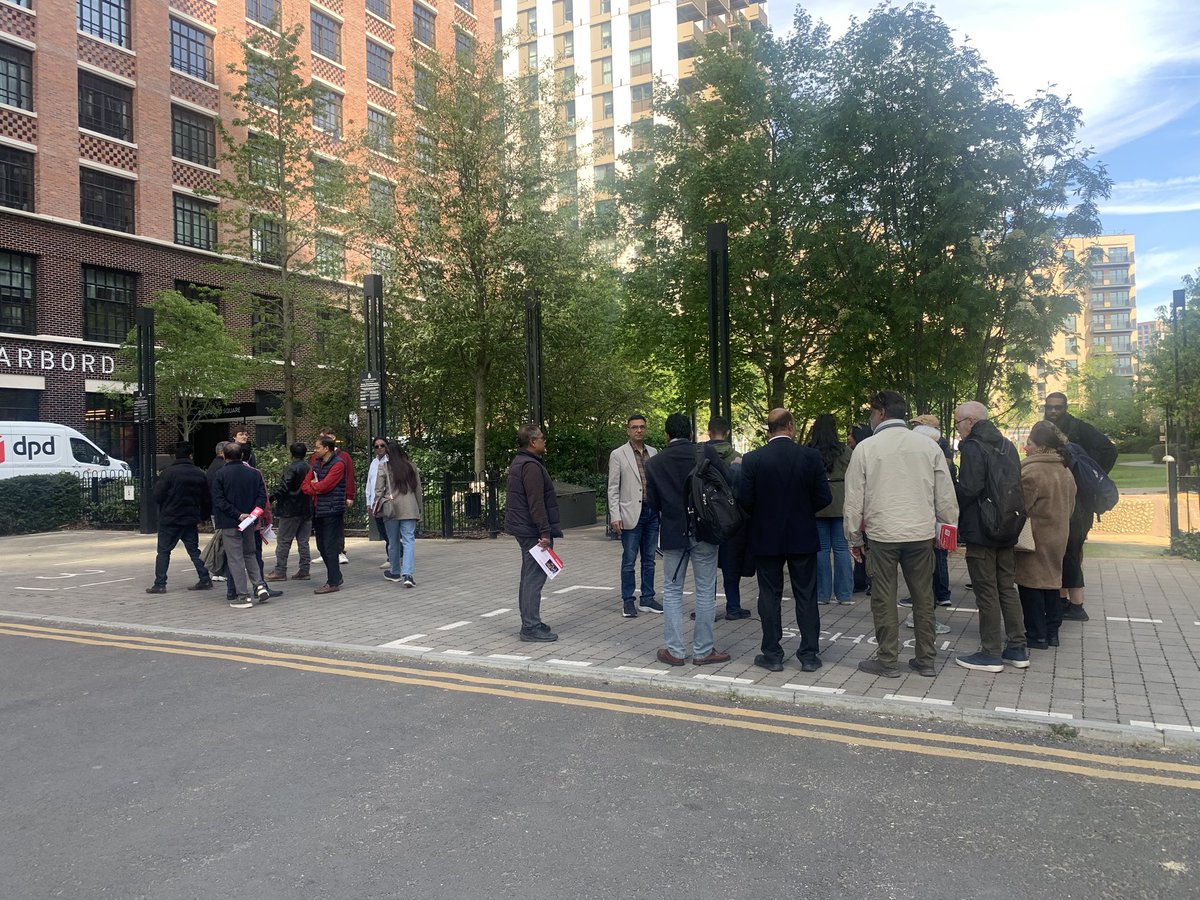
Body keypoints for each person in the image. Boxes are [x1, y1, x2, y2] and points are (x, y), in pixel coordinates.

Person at [845, 391, 958, 678]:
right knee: (924, 597)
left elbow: (854, 499)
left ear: (881, 413)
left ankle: (887, 660)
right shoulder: (929, 447)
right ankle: (926, 659)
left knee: (883, 597)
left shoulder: (866, 448)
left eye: (871, 412)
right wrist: (947, 530)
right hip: (921, 532)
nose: (870, 418)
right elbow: (945, 496)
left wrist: (854, 538)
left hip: (883, 534)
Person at [740, 409, 833, 673]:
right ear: (790, 426)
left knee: (769, 595)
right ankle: (809, 655)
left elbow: (744, 499)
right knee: (806, 594)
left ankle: (772, 653)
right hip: (802, 534)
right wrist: (803, 511)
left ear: (768, 429)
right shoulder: (810, 457)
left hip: (766, 535)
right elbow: (824, 497)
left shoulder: (753, 459)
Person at [644, 413, 733, 667]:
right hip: (705, 530)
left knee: (672, 591)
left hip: (673, 533)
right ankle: (703, 651)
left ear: (666, 435)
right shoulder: (705, 453)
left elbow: (653, 503)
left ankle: (675, 651)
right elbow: (726, 482)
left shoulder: (654, 463)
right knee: (705, 590)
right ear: (691, 434)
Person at [953, 400, 1029, 673]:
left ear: (971, 421)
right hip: (1008, 524)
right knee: (1006, 587)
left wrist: (951, 499)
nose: (958, 429)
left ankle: (990, 652)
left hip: (982, 528)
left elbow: (969, 488)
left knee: (986, 591)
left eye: (958, 423)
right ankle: (1017, 647)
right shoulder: (1007, 445)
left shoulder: (973, 447)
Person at [1044, 392, 1117, 622]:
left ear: (1065, 407)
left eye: (1058, 407)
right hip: (1068, 499)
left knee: (1071, 553)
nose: (1053, 411)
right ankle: (1064, 600)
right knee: (1066, 553)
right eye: (1049, 406)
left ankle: (1075, 605)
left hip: (1078, 502)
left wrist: (1088, 472)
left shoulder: (1079, 429)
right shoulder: (1052, 429)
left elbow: (1109, 449)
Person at [1017, 422, 1077, 649]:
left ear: (1041, 446)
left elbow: (1021, 506)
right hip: (1058, 534)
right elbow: (1071, 506)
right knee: (1052, 583)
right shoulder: (1065, 470)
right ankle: (1052, 632)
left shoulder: (1032, 471)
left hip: (1035, 536)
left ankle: (1036, 634)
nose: (1026, 448)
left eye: (1030, 444)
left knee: (1031, 584)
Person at [504, 424, 563, 642]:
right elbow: (536, 503)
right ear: (532, 442)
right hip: (532, 531)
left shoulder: (521, 462)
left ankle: (531, 622)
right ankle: (530, 627)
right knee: (533, 578)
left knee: (529, 576)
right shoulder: (530, 466)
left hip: (524, 528)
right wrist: (545, 533)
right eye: (542, 438)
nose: (544, 441)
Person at [899, 423, 954, 636]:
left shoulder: (906, 461)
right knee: (926, 574)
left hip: (912, 525)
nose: (937, 448)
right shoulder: (928, 461)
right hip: (925, 526)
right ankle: (924, 618)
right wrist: (949, 524)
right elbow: (944, 496)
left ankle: (921, 615)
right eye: (935, 443)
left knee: (924, 575)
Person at [607, 414, 660, 618]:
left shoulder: (653, 452)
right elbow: (613, 487)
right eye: (635, 427)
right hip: (630, 513)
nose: (639, 430)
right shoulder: (618, 454)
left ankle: (647, 598)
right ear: (628, 430)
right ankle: (628, 601)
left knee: (649, 559)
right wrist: (615, 515)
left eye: (642, 427)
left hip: (651, 512)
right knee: (629, 560)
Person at [146, 442, 212, 594]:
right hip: (190, 518)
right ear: (191, 455)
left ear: (175, 455)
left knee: (163, 552)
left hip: (170, 518)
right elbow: (206, 499)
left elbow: (157, 495)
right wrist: (203, 516)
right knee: (194, 551)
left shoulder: (168, 473)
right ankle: (205, 578)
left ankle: (160, 583)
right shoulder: (199, 473)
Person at [211, 442, 270, 609]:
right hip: (249, 522)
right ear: (242, 456)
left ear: (224, 456)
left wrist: (237, 514)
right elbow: (262, 498)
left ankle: (243, 596)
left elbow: (219, 500)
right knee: (250, 554)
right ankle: (259, 585)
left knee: (235, 559)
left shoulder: (220, 474)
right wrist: (252, 515)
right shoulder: (254, 474)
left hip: (230, 522)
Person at [706, 415, 752, 620]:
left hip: (706, 518)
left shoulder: (699, 455)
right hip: (731, 519)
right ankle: (733, 607)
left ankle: (706, 609)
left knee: (706, 565)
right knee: (730, 565)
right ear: (727, 433)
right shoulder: (739, 458)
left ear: (709, 432)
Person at [807, 414, 853, 607]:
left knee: (822, 550)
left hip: (818, 502)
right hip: (841, 502)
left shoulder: (809, 450)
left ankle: (822, 594)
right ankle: (844, 594)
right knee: (842, 549)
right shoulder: (845, 450)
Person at [303, 436, 348, 594]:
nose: (315, 450)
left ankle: (333, 581)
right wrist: (314, 487)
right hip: (318, 509)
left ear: (326, 448)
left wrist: (314, 486)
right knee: (321, 546)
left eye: (318, 447)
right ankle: (336, 576)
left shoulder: (338, 464)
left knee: (330, 546)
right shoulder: (317, 462)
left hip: (331, 509)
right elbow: (305, 484)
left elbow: (326, 485)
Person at [376, 440, 422, 587]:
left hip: (391, 509)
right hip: (410, 508)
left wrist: (377, 506)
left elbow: (379, 490)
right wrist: (419, 509)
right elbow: (418, 489)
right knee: (409, 541)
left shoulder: (384, 467)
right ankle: (408, 574)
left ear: (388, 453)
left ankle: (395, 571)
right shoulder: (411, 466)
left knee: (393, 541)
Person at [266, 442, 312, 582]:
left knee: (284, 541)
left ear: (291, 454)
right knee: (303, 541)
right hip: (306, 508)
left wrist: (271, 498)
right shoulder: (309, 467)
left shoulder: (291, 468)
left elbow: (284, 487)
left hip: (290, 509)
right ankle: (304, 569)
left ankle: (280, 570)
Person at [313, 427, 356, 566]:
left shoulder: (343, 457)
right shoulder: (316, 457)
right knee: (321, 527)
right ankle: (324, 552)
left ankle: (339, 551)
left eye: (325, 437)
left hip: (336, 496)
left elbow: (349, 476)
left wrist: (350, 495)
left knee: (337, 525)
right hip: (319, 497)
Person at [365, 437, 392, 570]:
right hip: (375, 502)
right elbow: (369, 483)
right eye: (376, 446)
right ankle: (398, 551)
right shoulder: (374, 463)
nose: (380, 448)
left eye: (382, 445)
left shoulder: (390, 462)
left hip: (386, 500)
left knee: (388, 530)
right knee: (382, 530)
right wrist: (369, 502)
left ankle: (392, 557)